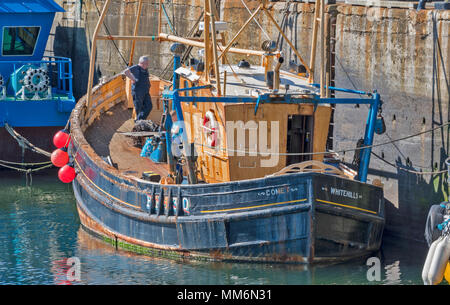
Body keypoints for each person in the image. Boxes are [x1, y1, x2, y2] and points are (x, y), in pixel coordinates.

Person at [123, 55, 153, 121]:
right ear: (142, 63)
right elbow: (126, 72)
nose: (147, 65)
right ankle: (139, 122)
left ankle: (140, 120)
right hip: (138, 91)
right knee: (138, 108)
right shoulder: (136, 67)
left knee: (149, 106)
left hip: (145, 91)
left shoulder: (145, 69)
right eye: (146, 63)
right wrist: (133, 79)